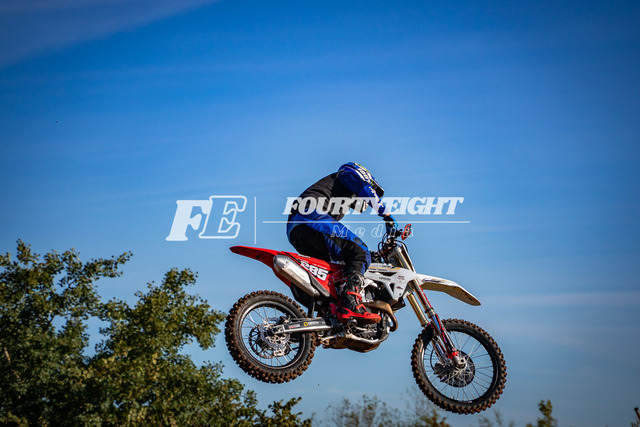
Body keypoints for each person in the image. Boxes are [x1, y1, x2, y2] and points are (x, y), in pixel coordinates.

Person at [286, 162, 396, 325]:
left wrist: (371, 257)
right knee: (360, 251)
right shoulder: (349, 173)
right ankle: (351, 302)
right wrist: (386, 214)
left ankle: (322, 317)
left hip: (295, 229)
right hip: (310, 216)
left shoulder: (336, 197)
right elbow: (362, 186)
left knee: (331, 271)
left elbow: (340, 245)